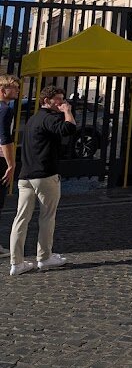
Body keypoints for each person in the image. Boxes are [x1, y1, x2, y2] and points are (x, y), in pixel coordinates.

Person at [9, 85, 76, 276]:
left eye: (63, 99)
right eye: (58, 99)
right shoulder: (50, 117)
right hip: (45, 175)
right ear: (46, 101)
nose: (62, 102)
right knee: (47, 216)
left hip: (26, 176)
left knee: (21, 219)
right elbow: (69, 129)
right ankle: (44, 257)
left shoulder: (33, 119)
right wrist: (67, 112)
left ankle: (16, 262)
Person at [1, 76, 21, 248]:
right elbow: (5, 138)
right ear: (3, 90)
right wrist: (11, 164)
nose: (17, 90)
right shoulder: (6, 110)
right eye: (14, 88)